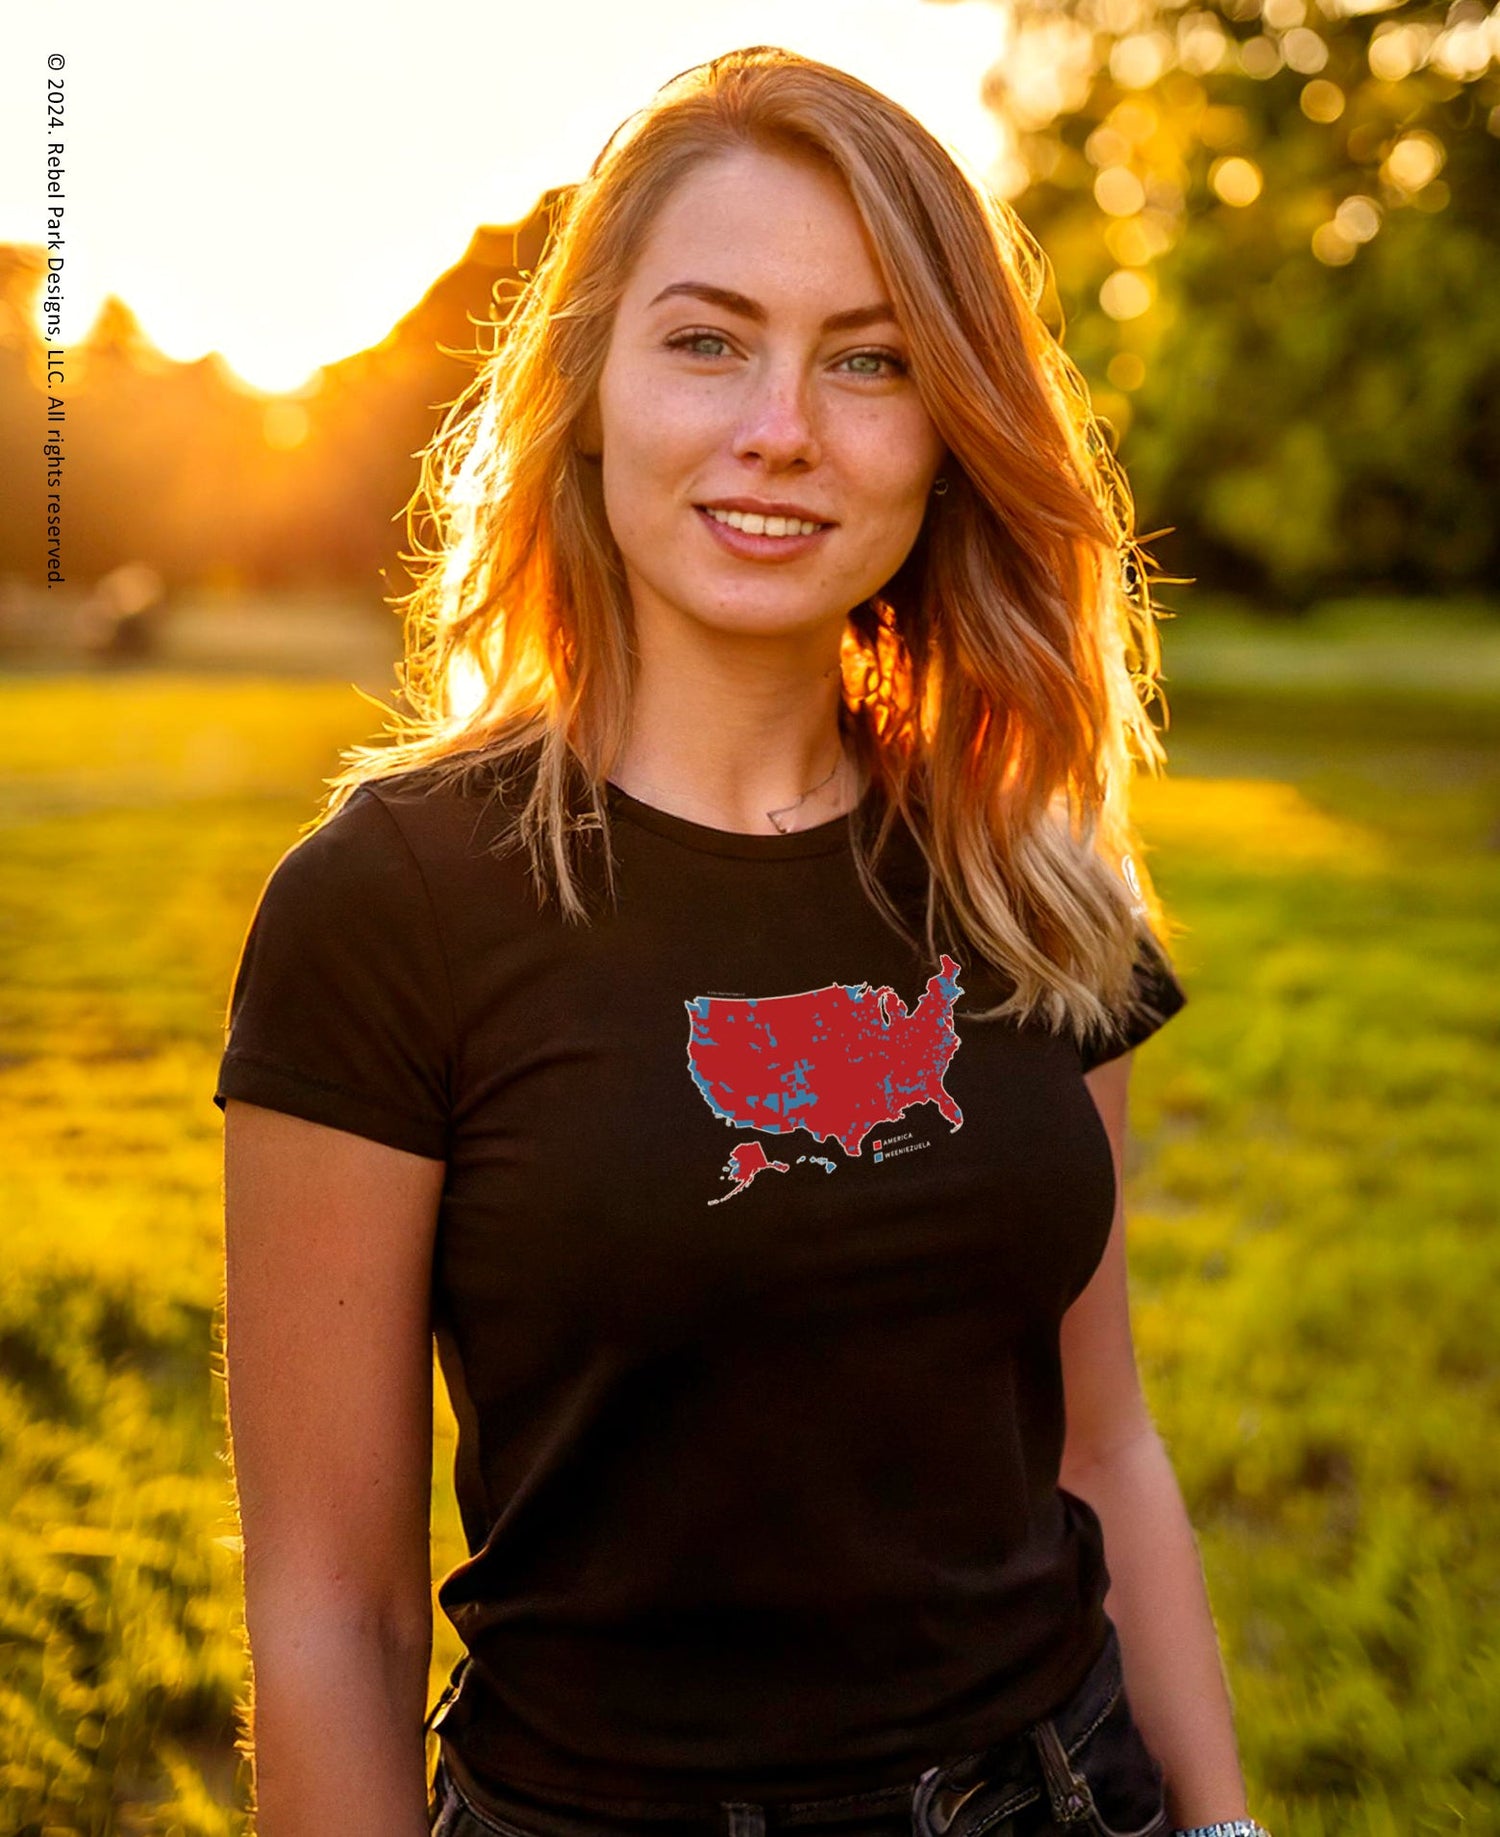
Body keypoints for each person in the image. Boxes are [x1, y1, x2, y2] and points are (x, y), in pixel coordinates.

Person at [214, 45, 1272, 1837]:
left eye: (870, 360)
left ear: (949, 431)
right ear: (593, 390)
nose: (784, 426)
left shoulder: (1029, 872)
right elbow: (335, 1606)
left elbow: (1105, 1446)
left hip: (1067, 1796)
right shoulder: (388, 902)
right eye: (709, 340)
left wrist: (1229, 1825)